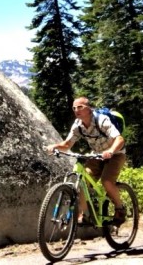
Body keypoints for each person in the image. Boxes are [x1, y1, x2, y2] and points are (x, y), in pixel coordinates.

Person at [45, 96, 126, 225]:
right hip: (96, 155)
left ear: (89, 109)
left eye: (80, 107)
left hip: (115, 154)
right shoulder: (78, 125)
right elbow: (67, 145)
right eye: (74, 108)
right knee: (83, 180)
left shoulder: (102, 120)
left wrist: (111, 151)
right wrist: (55, 146)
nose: (77, 110)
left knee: (107, 181)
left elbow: (120, 139)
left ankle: (120, 208)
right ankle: (84, 215)